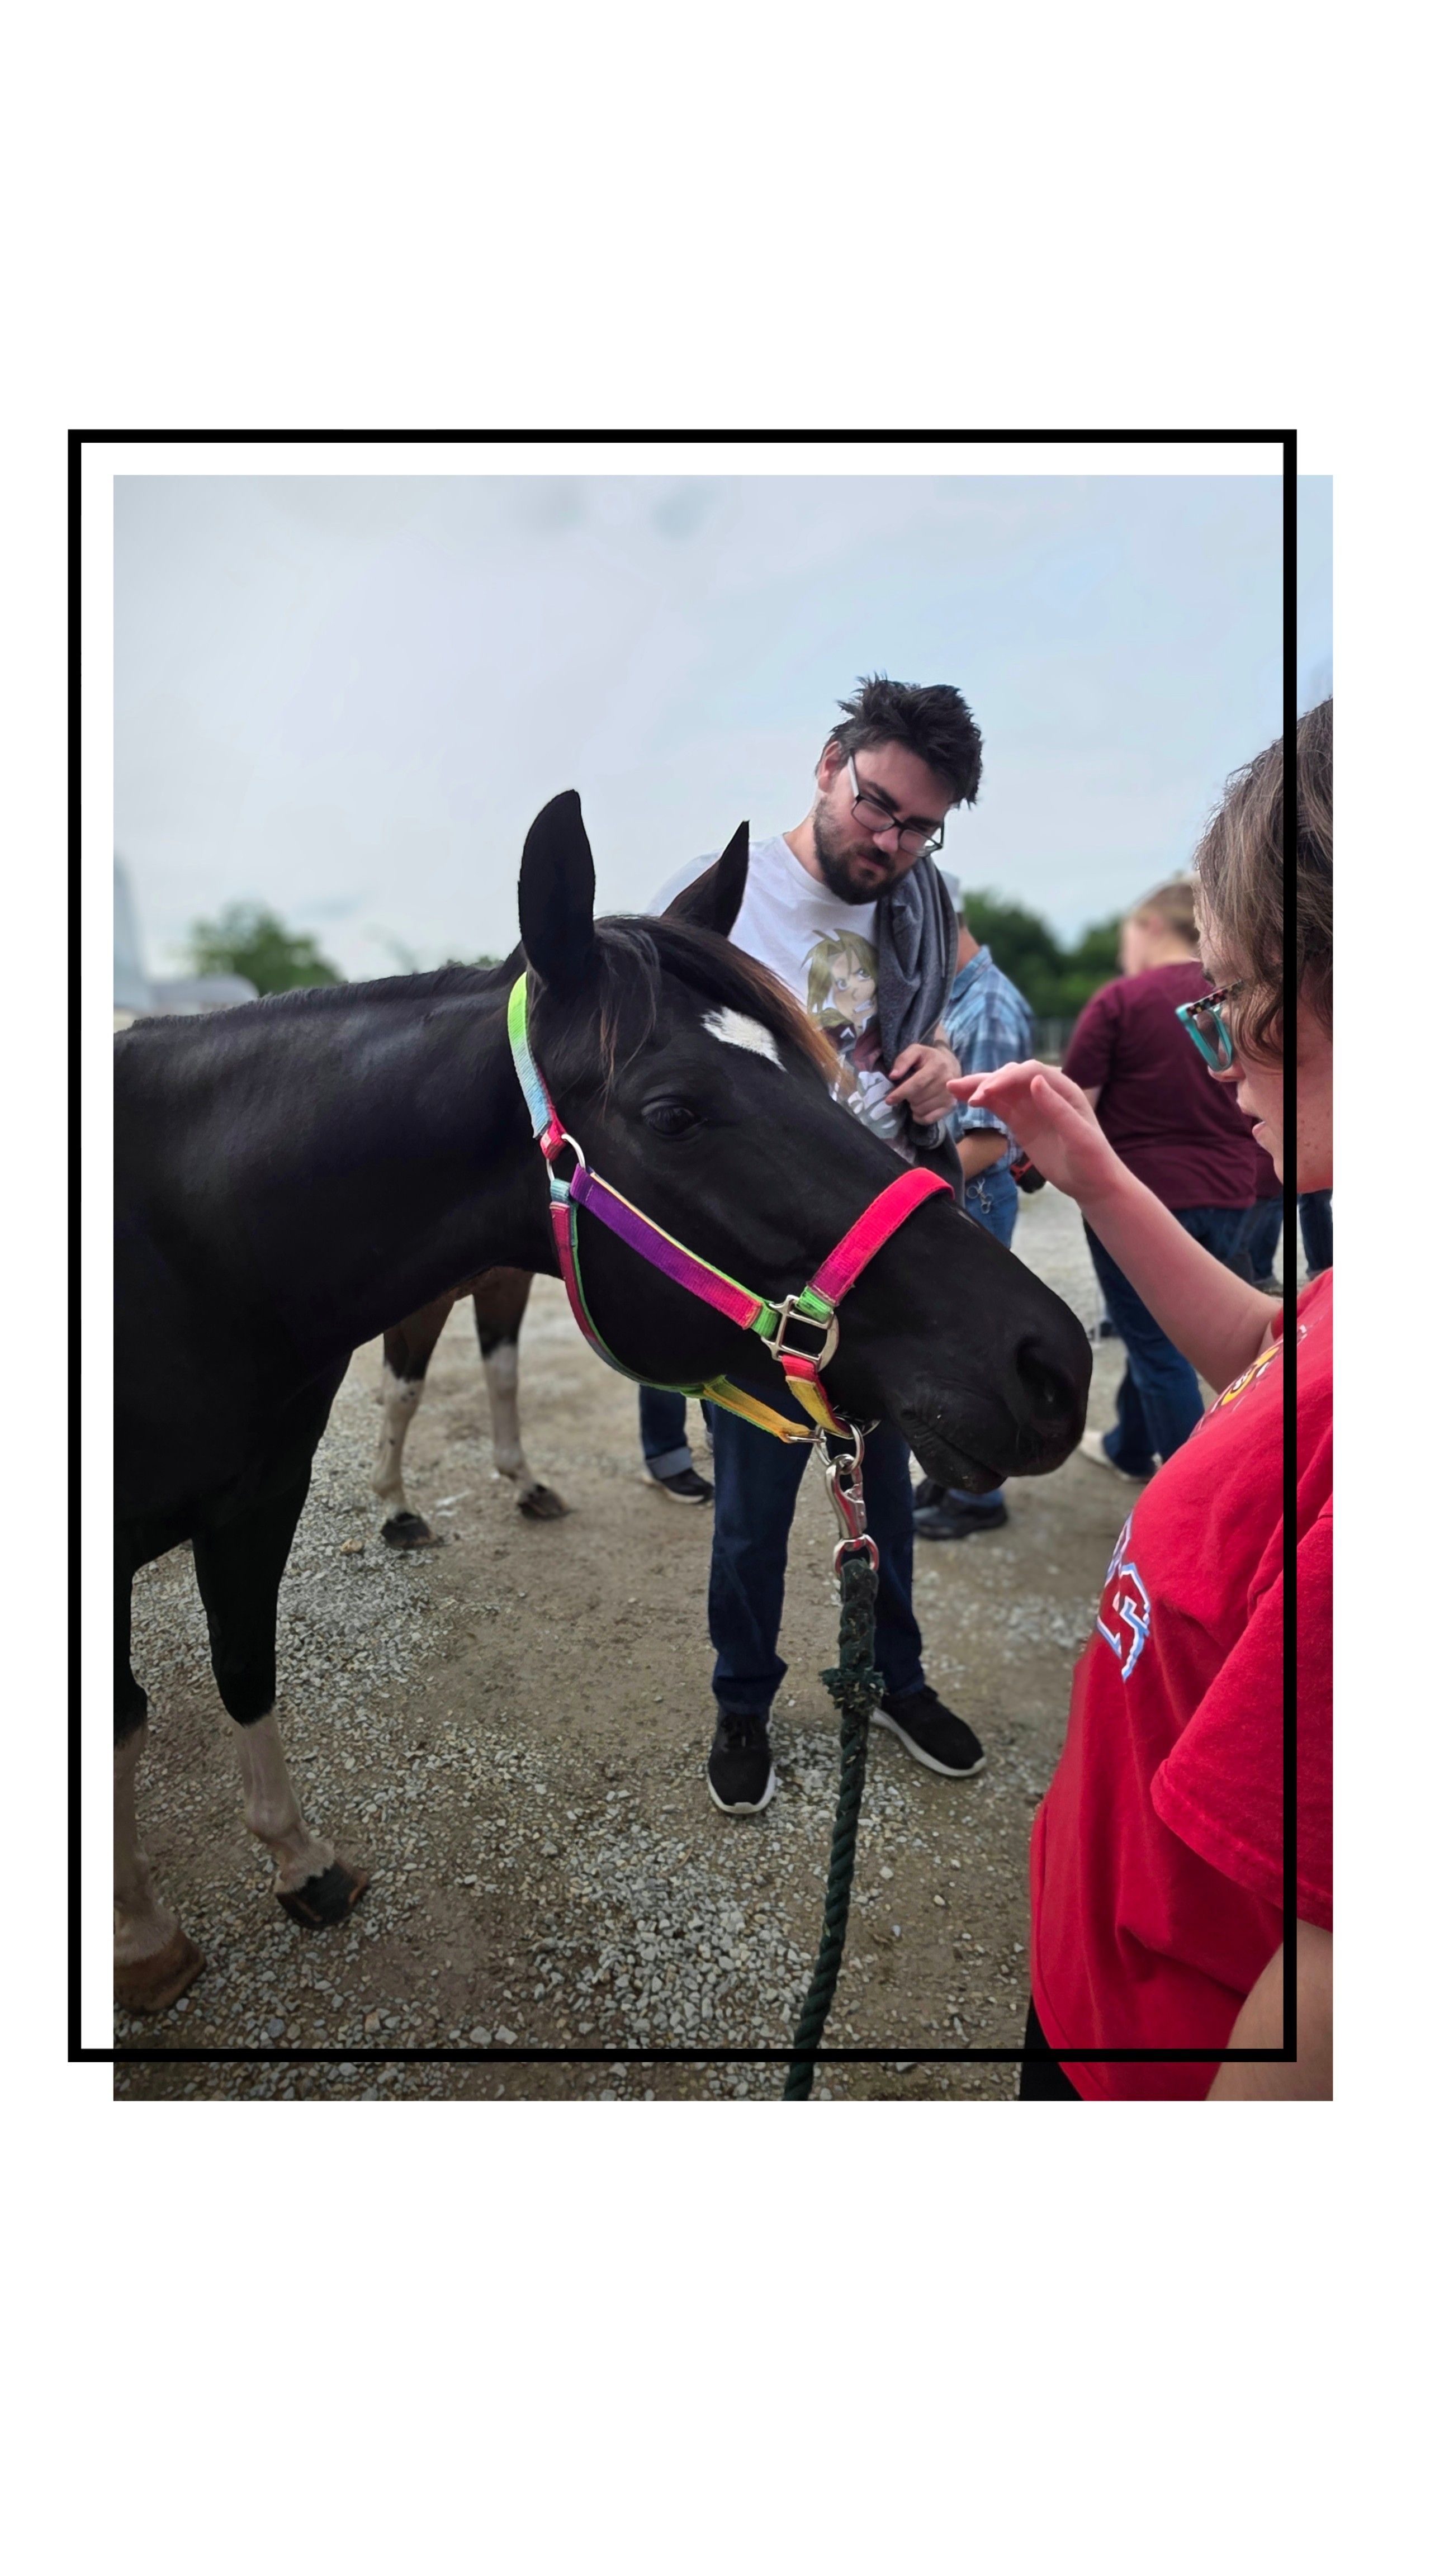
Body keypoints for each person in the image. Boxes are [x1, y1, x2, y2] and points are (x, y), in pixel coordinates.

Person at [952, 699, 1332, 2100]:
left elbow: (1333, 1988)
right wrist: (1096, 1169)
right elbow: (1270, 1356)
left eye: (1231, 1000)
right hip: (1100, 1962)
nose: (1219, 1050)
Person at [652, 674, 989, 1814]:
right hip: (762, 1275)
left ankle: (898, 1679)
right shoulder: (718, 900)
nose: (890, 840)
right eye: (877, 805)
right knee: (751, 1515)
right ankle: (742, 1702)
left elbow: (918, 1034)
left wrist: (938, 1070)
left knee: (886, 1493)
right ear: (827, 762)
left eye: (918, 826)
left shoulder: (924, 903)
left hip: (884, 1254)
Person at [1061, 877, 1262, 1485]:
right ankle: (1127, 1446)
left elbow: (1076, 1110)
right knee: (1160, 1331)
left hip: (1141, 1201)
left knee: (1157, 1348)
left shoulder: (1121, 1002)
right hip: (1232, 1194)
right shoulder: (1238, 997)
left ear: (1150, 926)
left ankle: (1197, 1496)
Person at [914, 891, 1034, 1541]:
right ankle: (951, 1475)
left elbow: (987, 1141)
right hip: (967, 1194)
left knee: (975, 1352)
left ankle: (981, 1500)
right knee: (949, 1346)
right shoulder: (959, 997)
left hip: (974, 1195)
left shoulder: (984, 1005)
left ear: (943, 927)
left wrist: (911, 1195)